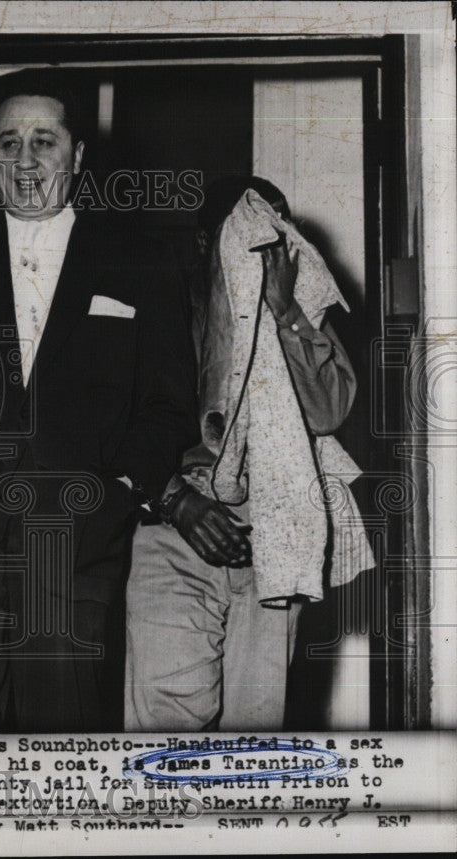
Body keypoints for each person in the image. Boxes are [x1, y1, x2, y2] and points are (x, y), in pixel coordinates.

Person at [0, 75, 199, 732]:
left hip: (78, 536)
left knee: (62, 732)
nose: (26, 159)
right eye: (9, 142)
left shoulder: (142, 261)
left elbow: (169, 405)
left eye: (44, 141)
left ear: (77, 157)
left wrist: (121, 487)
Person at [124, 176, 372, 731]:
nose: (265, 245)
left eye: (278, 230)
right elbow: (120, 424)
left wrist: (286, 312)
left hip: (276, 531)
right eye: (246, 231)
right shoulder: (162, 307)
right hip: (174, 528)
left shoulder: (299, 309)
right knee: (165, 727)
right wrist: (177, 502)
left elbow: (329, 410)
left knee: (255, 724)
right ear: (205, 242)